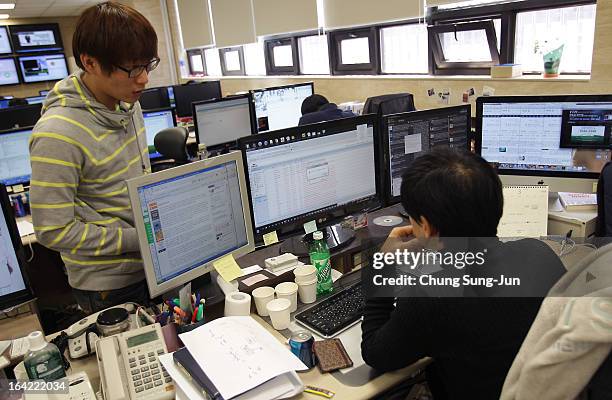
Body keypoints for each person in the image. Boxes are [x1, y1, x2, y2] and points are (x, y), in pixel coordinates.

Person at [361, 148, 567, 400]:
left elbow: (376, 354)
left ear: (425, 227)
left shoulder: (431, 297)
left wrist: (382, 267)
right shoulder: (539, 253)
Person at [29, 1, 159, 314]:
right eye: (132, 69)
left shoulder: (128, 105)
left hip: (152, 263)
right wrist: (139, 238)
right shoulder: (58, 133)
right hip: (108, 285)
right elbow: (52, 230)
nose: (144, 80)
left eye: (148, 65)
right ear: (90, 62)